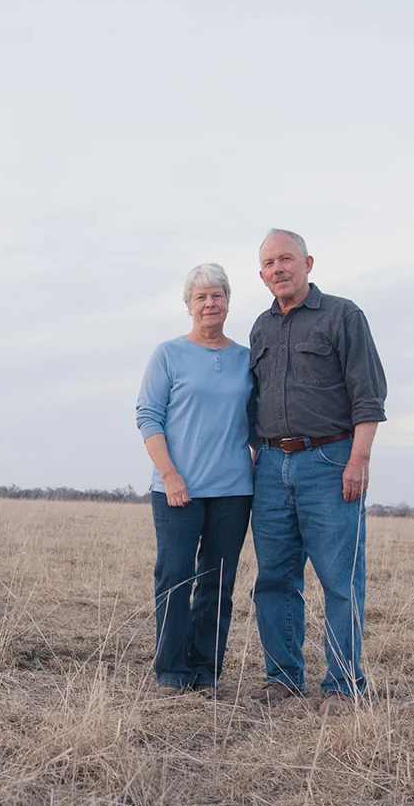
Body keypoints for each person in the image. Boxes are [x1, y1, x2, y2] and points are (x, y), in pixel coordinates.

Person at [247, 229, 387, 716]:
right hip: (270, 465)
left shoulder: (342, 316)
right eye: (268, 263)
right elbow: (254, 400)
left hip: (330, 461)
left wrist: (359, 458)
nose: (277, 269)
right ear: (261, 274)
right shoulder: (260, 329)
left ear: (308, 262)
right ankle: (282, 677)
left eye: (286, 259)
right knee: (274, 578)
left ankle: (343, 686)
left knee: (339, 579)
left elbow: (369, 393)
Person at [135, 263, 255, 697]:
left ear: (228, 302)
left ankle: (207, 671)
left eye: (217, 295)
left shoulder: (245, 358)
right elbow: (148, 416)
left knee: (218, 582)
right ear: (188, 304)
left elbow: (256, 422)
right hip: (176, 489)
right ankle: (172, 671)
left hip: (234, 491)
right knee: (174, 576)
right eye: (201, 296)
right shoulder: (168, 354)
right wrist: (170, 475)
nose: (210, 303)